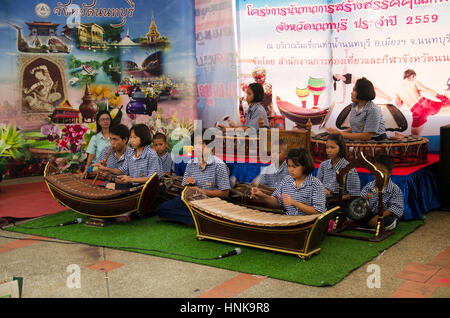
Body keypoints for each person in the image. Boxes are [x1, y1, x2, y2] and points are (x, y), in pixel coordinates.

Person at [157, 131, 231, 226]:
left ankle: (199, 218)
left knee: (215, 211)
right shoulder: (191, 163)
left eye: (201, 143)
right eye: (195, 144)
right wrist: (188, 184)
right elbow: (185, 189)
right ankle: (202, 219)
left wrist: (201, 191)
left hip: (210, 201)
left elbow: (225, 193)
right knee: (162, 209)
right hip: (191, 199)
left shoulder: (219, 165)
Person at [250, 148, 326, 216]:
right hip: (290, 221)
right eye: (289, 166)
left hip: (307, 225)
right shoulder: (287, 180)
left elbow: (319, 211)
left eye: (294, 167)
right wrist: (263, 196)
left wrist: (294, 203)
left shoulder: (316, 184)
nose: (291, 170)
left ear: (305, 166)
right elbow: (277, 202)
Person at [96, 124, 163, 189]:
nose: (132, 140)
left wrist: (131, 179)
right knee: (109, 185)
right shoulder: (131, 153)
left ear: (143, 138)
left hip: (147, 187)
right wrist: (105, 169)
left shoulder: (151, 154)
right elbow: (122, 170)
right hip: (133, 185)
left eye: (135, 137)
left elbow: (152, 178)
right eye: (131, 137)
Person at [394, 69, 450, 136]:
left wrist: (404, 98)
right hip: (425, 104)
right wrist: (442, 98)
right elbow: (426, 90)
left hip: (416, 111)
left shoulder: (396, 90)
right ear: (412, 76)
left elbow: (399, 105)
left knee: (415, 137)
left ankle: (417, 145)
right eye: (414, 77)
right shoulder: (414, 82)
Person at [358, 154, 403, 231]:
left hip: (384, 216)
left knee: (389, 221)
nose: (378, 174)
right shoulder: (369, 186)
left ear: (390, 172)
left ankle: (367, 227)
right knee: (357, 215)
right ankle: (369, 226)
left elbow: (395, 208)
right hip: (370, 214)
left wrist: (377, 217)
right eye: (376, 171)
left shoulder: (395, 189)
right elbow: (361, 200)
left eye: (382, 172)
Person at [316, 134, 360, 210]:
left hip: (340, 204)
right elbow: (317, 185)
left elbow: (354, 195)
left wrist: (333, 198)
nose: (329, 150)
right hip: (323, 201)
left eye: (332, 147)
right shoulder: (323, 165)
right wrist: (322, 190)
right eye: (327, 147)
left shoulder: (349, 169)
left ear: (341, 148)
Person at [82, 111, 112, 178]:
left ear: (110, 120)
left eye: (107, 119)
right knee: (94, 170)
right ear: (98, 122)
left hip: (112, 167)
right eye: (103, 119)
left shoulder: (115, 137)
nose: (105, 121)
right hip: (98, 166)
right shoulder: (95, 138)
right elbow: (91, 155)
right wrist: (85, 170)